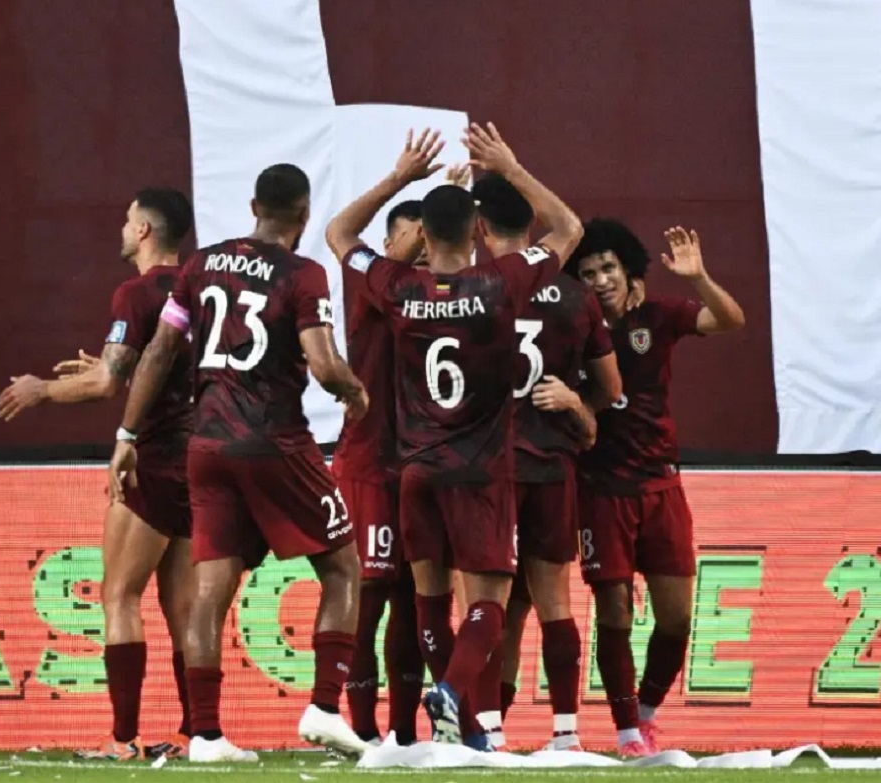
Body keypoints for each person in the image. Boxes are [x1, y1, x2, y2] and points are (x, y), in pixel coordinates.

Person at [325, 124, 584, 746]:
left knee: (429, 602)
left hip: (415, 470)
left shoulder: (397, 286)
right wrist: (512, 167)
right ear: (475, 232)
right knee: (488, 603)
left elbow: (338, 235)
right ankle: (450, 695)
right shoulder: (499, 284)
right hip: (480, 470)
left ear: (423, 234)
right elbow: (569, 229)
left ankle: (454, 727)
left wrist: (399, 178)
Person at [109, 164, 371, 763]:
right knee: (342, 568)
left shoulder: (201, 265)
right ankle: (326, 708)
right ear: (303, 217)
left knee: (210, 593)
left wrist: (128, 432)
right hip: (273, 443)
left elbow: (159, 351)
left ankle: (205, 736)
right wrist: (354, 392)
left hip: (206, 447)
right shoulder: (303, 275)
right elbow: (324, 364)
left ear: (254, 205)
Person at [0, 188, 197, 761]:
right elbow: (168, 370)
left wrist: (43, 391)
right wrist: (121, 372)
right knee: (183, 610)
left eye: (128, 219)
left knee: (119, 595)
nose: (122, 226)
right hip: (198, 462)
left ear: (145, 233)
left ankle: (124, 739)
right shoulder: (200, 292)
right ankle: (194, 735)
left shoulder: (135, 293)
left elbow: (107, 382)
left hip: (152, 460)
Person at [564, 219, 745, 755]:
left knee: (677, 618)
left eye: (608, 268)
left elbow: (731, 319)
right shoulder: (570, 327)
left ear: (627, 270)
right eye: (589, 272)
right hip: (600, 488)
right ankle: (625, 734)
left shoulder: (658, 316)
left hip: (661, 486)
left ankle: (645, 715)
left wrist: (700, 276)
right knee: (614, 610)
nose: (600, 279)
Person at [468, 173, 623, 750]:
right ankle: (566, 733)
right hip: (552, 463)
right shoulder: (577, 297)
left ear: (480, 227)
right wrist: (578, 406)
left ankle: (487, 732)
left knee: (485, 604)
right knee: (554, 602)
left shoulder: (472, 288)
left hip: (487, 468)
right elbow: (610, 386)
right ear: (533, 225)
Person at [326, 198, 427, 747]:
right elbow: (338, 231)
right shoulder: (371, 281)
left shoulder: (444, 292)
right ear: (391, 241)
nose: (428, 243)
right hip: (367, 467)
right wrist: (405, 183)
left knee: (414, 603)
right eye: (418, 233)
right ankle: (363, 732)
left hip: (424, 472)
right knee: (365, 601)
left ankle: (406, 737)